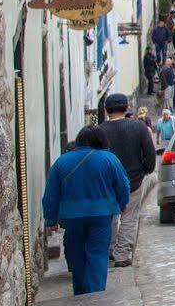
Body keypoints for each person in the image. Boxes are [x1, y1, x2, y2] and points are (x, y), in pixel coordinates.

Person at [42, 125, 131, 295]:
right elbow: (123, 186)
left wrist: (50, 219)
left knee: (77, 255)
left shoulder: (62, 161)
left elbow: (51, 194)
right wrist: (122, 204)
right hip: (101, 215)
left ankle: (81, 291)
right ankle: (95, 293)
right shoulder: (109, 159)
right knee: (97, 254)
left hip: (71, 217)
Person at [94, 94, 156, 268]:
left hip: (107, 183)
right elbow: (150, 156)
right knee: (129, 217)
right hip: (133, 180)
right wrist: (144, 170)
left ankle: (110, 250)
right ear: (127, 108)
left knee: (111, 217)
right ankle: (122, 254)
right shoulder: (138, 127)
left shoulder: (99, 131)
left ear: (106, 110)